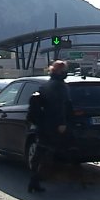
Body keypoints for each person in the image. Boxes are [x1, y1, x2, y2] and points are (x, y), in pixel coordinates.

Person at [27, 60, 72, 193]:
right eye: (63, 70)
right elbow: (60, 106)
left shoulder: (47, 84)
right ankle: (40, 179)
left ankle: (34, 181)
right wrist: (62, 123)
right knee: (51, 153)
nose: (65, 73)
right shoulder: (59, 86)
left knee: (40, 152)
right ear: (59, 71)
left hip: (44, 124)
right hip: (54, 125)